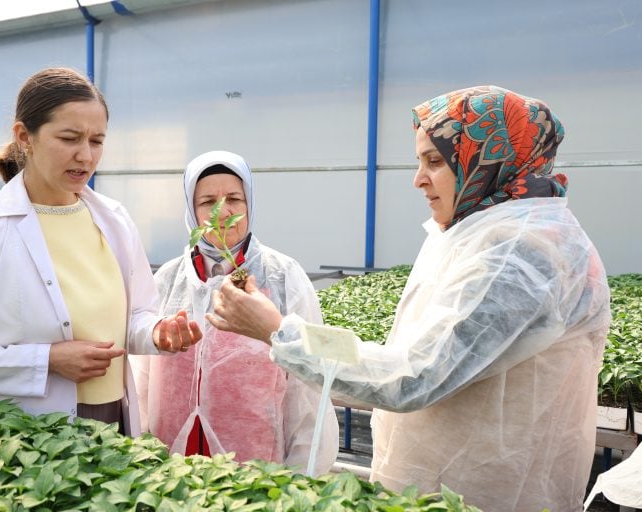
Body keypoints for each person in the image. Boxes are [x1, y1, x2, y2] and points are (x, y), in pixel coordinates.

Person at [207, 86, 611, 511]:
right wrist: (290, 332)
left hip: (488, 496)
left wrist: (279, 332)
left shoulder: (521, 252)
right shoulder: (474, 233)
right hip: (436, 487)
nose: (418, 179)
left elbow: (411, 375)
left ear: (486, 160)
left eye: (434, 162)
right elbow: (401, 355)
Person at [0, 67, 201, 436]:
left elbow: (135, 318)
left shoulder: (114, 221)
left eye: (97, 141)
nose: (85, 156)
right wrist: (46, 360)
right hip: (27, 431)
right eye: (69, 138)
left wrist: (158, 333)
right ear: (24, 137)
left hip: (113, 418)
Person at [131, 150, 338, 475]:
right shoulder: (168, 280)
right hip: (173, 465)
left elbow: (307, 387)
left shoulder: (282, 277)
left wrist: (303, 477)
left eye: (234, 199)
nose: (222, 211)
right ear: (191, 210)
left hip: (256, 470)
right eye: (207, 201)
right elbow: (142, 379)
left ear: (249, 205)